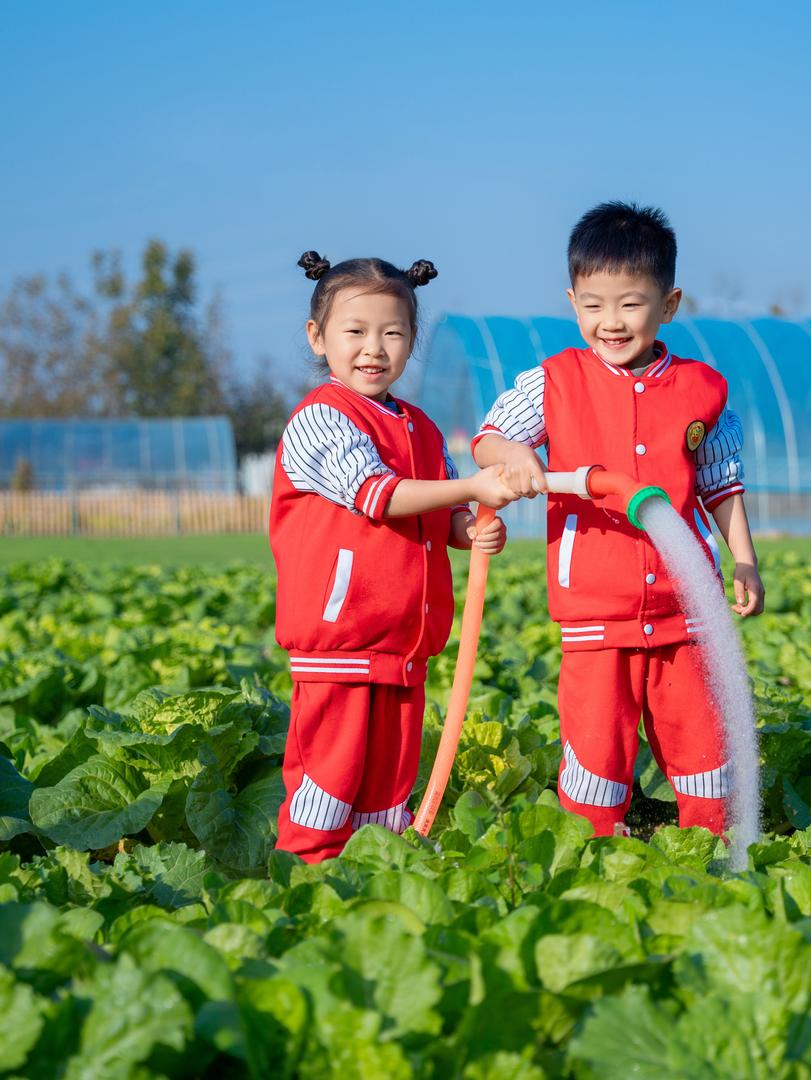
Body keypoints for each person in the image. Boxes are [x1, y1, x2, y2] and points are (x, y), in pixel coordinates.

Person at [473, 202, 765, 837]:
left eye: (630, 304)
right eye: (594, 305)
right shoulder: (552, 383)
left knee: (702, 744)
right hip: (594, 613)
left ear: (669, 304)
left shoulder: (702, 390)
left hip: (686, 609)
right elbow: (489, 439)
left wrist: (743, 558)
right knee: (595, 747)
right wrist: (515, 454)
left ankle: (715, 847)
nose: (611, 322)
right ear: (573, 302)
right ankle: (594, 848)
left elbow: (720, 483)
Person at [271, 250, 517, 862]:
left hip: (404, 648)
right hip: (342, 645)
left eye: (393, 333)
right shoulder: (320, 420)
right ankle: (302, 885)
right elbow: (378, 496)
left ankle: (376, 882)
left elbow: (443, 512)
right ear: (318, 337)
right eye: (355, 332)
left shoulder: (423, 429)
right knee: (326, 787)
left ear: (412, 341)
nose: (373, 348)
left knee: (386, 793)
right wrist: (472, 491)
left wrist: (469, 527)